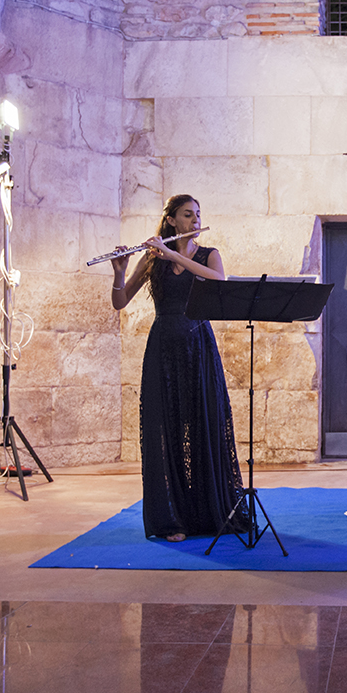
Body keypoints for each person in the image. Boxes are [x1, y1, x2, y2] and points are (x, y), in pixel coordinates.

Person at [110, 194, 249, 543]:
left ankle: (208, 513)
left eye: (198, 215)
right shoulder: (153, 257)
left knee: (204, 424)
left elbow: (219, 280)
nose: (195, 221)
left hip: (198, 345)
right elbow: (120, 301)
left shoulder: (207, 254)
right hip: (163, 347)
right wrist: (120, 272)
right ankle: (172, 519)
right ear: (171, 220)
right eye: (188, 215)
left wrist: (173, 255)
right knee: (166, 430)